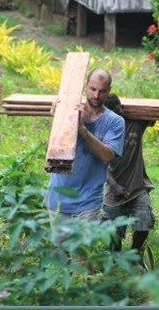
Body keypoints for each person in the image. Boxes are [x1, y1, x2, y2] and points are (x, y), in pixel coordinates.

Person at [45, 69, 125, 223]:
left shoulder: (115, 121)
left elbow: (107, 156)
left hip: (88, 203)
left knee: (83, 248)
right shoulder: (70, 112)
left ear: (109, 91)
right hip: (58, 199)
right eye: (93, 89)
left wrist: (82, 128)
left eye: (102, 91)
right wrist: (60, 120)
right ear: (86, 86)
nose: (96, 95)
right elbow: (50, 150)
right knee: (59, 248)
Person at [102, 93, 155, 257]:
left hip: (138, 186)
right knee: (114, 235)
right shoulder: (102, 131)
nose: (120, 112)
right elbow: (98, 164)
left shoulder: (135, 123)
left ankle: (134, 257)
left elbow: (155, 114)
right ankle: (116, 264)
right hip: (113, 191)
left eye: (120, 108)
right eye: (114, 111)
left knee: (143, 225)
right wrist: (115, 185)